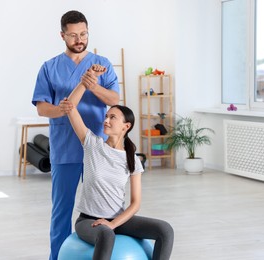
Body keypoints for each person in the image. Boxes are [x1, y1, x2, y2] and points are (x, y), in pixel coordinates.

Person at [31, 11, 119, 260]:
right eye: (73, 35)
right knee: (62, 211)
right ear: (62, 35)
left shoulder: (102, 63)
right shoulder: (49, 68)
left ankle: (102, 254)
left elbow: (114, 99)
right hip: (65, 148)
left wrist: (93, 85)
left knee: (103, 208)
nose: (79, 39)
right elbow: (41, 108)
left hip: (98, 148)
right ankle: (57, 257)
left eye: (83, 34)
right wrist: (64, 109)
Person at [65, 64, 174, 260]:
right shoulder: (92, 144)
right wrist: (86, 80)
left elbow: (135, 204)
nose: (106, 120)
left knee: (165, 230)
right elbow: (70, 107)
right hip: (88, 220)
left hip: (118, 220)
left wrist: (113, 223)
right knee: (106, 235)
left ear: (126, 126)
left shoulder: (132, 158)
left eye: (112, 117)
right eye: (106, 116)